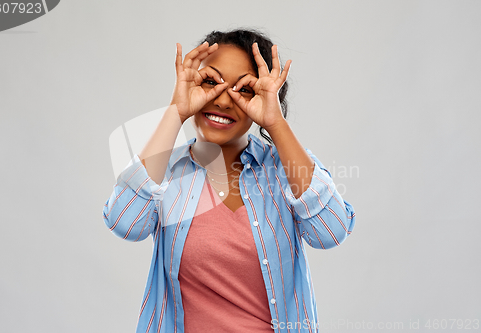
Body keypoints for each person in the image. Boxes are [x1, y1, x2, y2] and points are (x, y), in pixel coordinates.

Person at [103, 28, 356, 333]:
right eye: (210, 82)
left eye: (244, 89)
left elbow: (331, 231)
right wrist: (175, 111)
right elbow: (125, 223)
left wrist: (276, 124)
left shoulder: (284, 169)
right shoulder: (165, 170)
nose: (222, 101)